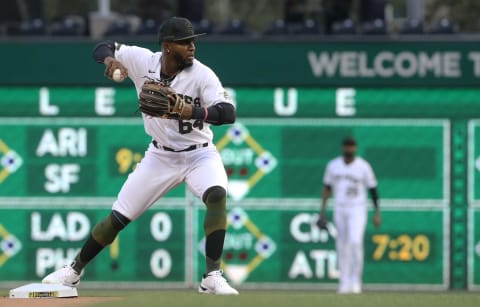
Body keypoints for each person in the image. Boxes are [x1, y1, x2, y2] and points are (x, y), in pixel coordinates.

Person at [42, 16, 239, 295]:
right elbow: (102, 46)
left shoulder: (202, 75)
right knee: (118, 217)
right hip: (159, 156)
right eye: (185, 42)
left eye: (193, 41)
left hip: (200, 155)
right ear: (168, 46)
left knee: (217, 194)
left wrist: (192, 112)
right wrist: (110, 61)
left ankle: (212, 275)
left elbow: (228, 113)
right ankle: (73, 271)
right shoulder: (142, 60)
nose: (192, 47)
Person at [318, 137, 380, 294]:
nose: (349, 149)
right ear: (342, 147)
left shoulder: (363, 166)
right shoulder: (333, 165)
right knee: (341, 245)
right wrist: (322, 212)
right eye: (347, 146)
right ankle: (344, 282)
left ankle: (356, 280)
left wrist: (376, 212)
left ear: (355, 148)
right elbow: (326, 189)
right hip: (340, 208)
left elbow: (373, 189)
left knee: (355, 241)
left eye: (351, 146)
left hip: (357, 208)